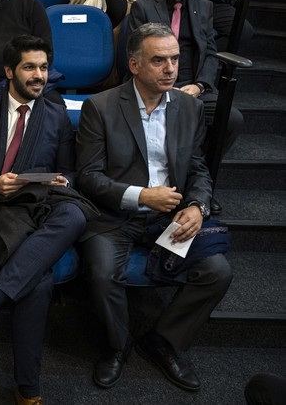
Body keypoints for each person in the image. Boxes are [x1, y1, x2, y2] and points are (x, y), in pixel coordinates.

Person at [75, 23, 233, 392]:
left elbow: (197, 167)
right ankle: (117, 346)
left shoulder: (189, 107)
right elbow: (89, 176)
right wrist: (141, 195)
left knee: (217, 271)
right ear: (134, 65)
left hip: (170, 215)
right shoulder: (100, 106)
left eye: (175, 59)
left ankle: (163, 341)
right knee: (101, 272)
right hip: (114, 215)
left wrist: (197, 206)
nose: (171, 69)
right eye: (159, 60)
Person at [0, 35, 90, 405]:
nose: (39, 75)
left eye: (44, 67)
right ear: (9, 71)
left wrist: (63, 181)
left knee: (75, 214)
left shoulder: (56, 115)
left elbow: (69, 173)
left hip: (40, 205)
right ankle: (29, 389)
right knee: (39, 281)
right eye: (30, 67)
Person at [128, 0, 243, 215]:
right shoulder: (144, 6)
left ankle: (201, 187)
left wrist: (201, 85)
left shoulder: (204, 7)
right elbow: (134, 57)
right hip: (154, 88)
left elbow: (211, 53)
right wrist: (167, 87)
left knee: (232, 118)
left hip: (194, 87)